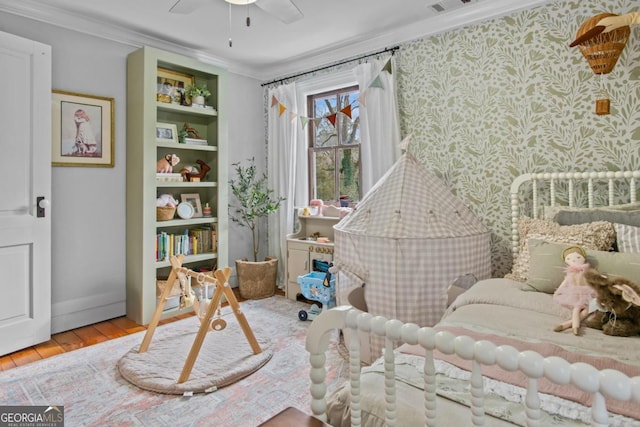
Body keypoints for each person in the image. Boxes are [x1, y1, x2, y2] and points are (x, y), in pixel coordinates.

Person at [552, 246, 596, 335]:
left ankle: (565, 325)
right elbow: (565, 282)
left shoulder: (587, 271)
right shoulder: (570, 273)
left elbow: (593, 279)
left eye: (578, 257)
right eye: (569, 259)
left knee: (589, 309)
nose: (574, 260)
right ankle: (575, 328)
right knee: (577, 309)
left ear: (583, 258)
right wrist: (557, 292)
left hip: (588, 292)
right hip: (573, 294)